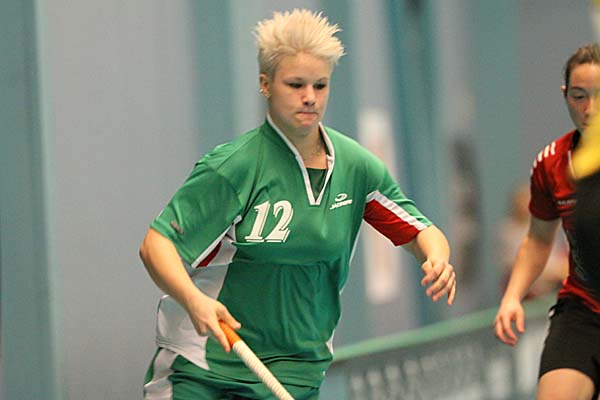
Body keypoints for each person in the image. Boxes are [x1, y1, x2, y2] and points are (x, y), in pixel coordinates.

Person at [139, 9, 456, 400]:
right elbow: (156, 245)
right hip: (207, 363)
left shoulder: (357, 168)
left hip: (295, 372)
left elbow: (422, 231)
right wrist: (194, 300)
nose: (309, 97)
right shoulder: (234, 167)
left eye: (320, 85)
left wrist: (436, 259)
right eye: (295, 85)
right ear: (265, 84)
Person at [494, 44, 600, 400]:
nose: (589, 109)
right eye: (579, 96)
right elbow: (538, 239)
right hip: (582, 309)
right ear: (565, 95)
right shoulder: (551, 164)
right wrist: (513, 296)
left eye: (598, 96)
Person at [497, 183, 568, 299]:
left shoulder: (541, 226)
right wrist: (556, 271)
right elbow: (522, 265)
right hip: (527, 292)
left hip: (550, 287)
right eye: (524, 200)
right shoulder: (509, 232)